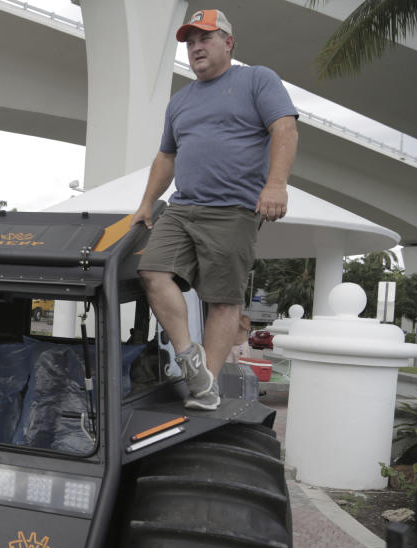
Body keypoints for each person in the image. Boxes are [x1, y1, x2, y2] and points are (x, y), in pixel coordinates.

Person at [132, 9, 298, 410]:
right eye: (190, 43)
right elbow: (166, 157)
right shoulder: (180, 101)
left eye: (204, 38)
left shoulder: (257, 79)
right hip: (183, 207)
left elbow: (285, 128)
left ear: (228, 42)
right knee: (152, 271)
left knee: (224, 300)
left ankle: (205, 389)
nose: (195, 48)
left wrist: (276, 184)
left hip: (234, 210)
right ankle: (191, 358)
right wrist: (144, 204)